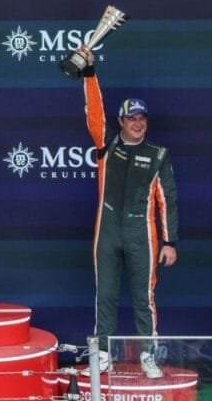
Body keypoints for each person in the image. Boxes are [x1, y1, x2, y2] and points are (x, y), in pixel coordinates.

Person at [76, 45, 178, 379]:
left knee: (143, 298)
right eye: (132, 118)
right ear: (121, 121)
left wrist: (170, 241)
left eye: (142, 118)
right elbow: (94, 111)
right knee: (104, 294)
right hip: (106, 227)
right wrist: (89, 73)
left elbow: (168, 200)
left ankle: (149, 354)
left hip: (142, 232)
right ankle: (103, 353)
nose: (138, 123)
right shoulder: (106, 143)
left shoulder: (158, 154)